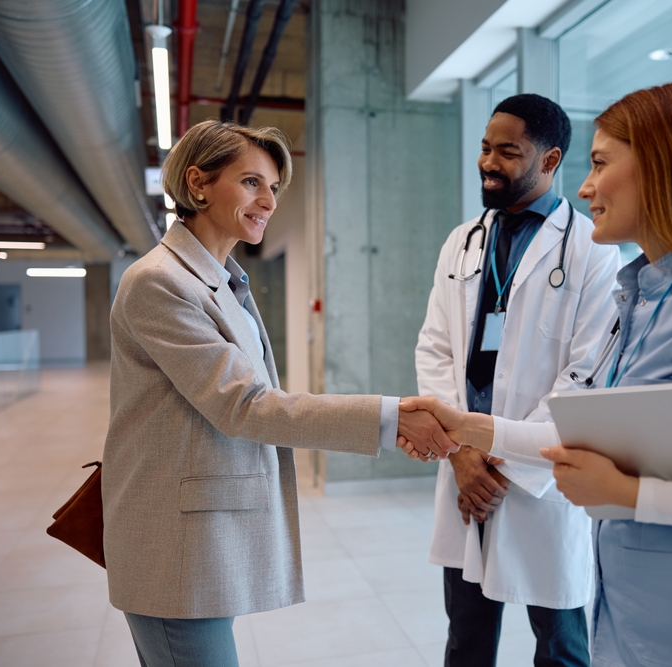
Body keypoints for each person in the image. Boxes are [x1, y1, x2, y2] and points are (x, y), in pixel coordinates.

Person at [401, 81, 672, 667]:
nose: (585, 188)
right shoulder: (639, 301)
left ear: (663, 169)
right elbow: (580, 429)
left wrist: (626, 493)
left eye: (600, 164)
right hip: (633, 628)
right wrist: (464, 431)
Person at [102, 120, 455, 667]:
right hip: (173, 547)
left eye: (272, 187)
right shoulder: (159, 282)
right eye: (250, 183)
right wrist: (391, 417)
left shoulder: (220, 279)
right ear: (197, 184)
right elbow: (245, 405)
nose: (268, 200)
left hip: (202, 536)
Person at [415, 93, 620, 667]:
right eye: (485, 147)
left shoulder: (593, 251)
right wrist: (460, 454)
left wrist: (500, 456)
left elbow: (586, 376)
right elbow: (434, 348)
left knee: (560, 647)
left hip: (537, 480)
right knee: (467, 639)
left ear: (550, 161)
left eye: (508, 152)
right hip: (466, 474)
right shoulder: (463, 241)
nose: (488, 162)